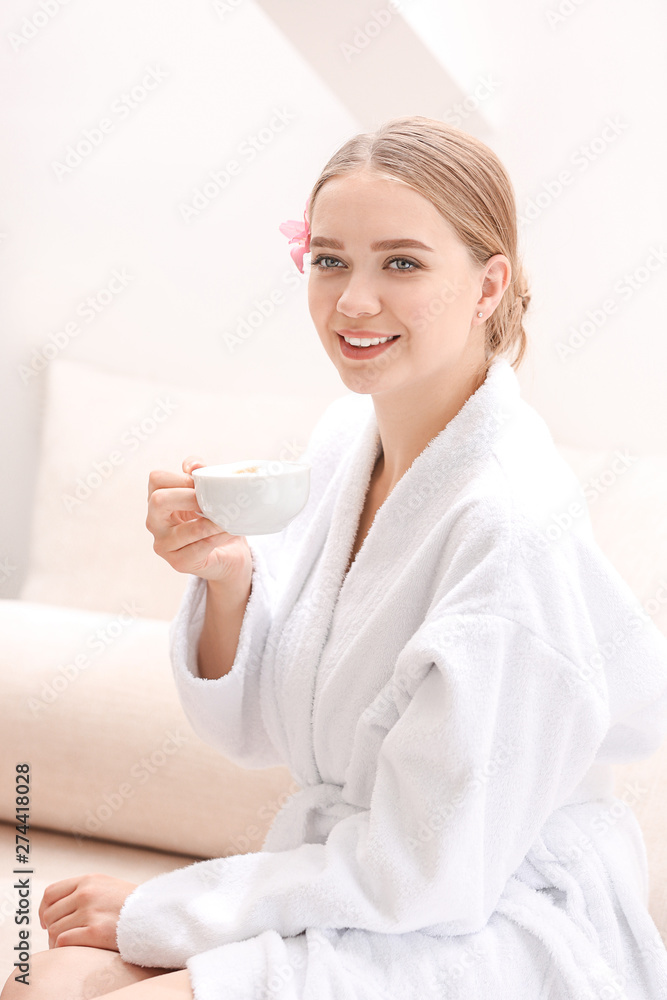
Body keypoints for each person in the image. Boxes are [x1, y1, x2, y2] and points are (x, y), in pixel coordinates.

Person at [8, 114, 667, 999]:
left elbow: (424, 874)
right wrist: (229, 579)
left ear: (487, 284)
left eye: (401, 262)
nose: (353, 301)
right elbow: (263, 732)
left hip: (479, 919)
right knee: (42, 979)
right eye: (329, 260)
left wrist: (162, 911)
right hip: (369, 888)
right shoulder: (346, 443)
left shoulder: (507, 530)